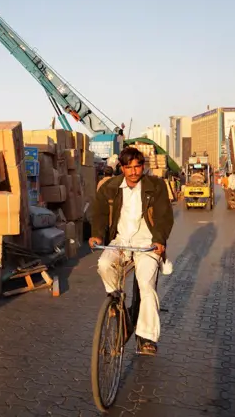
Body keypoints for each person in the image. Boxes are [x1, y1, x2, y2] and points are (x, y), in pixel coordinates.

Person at [88, 147, 174, 356]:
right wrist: (97, 235)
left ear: (143, 166)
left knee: (146, 284)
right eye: (129, 168)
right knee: (104, 264)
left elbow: (164, 216)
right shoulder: (110, 187)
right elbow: (98, 214)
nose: (134, 171)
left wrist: (160, 240)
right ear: (122, 169)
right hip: (121, 240)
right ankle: (118, 306)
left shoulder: (156, 186)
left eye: (138, 166)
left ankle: (146, 337)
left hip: (147, 243)